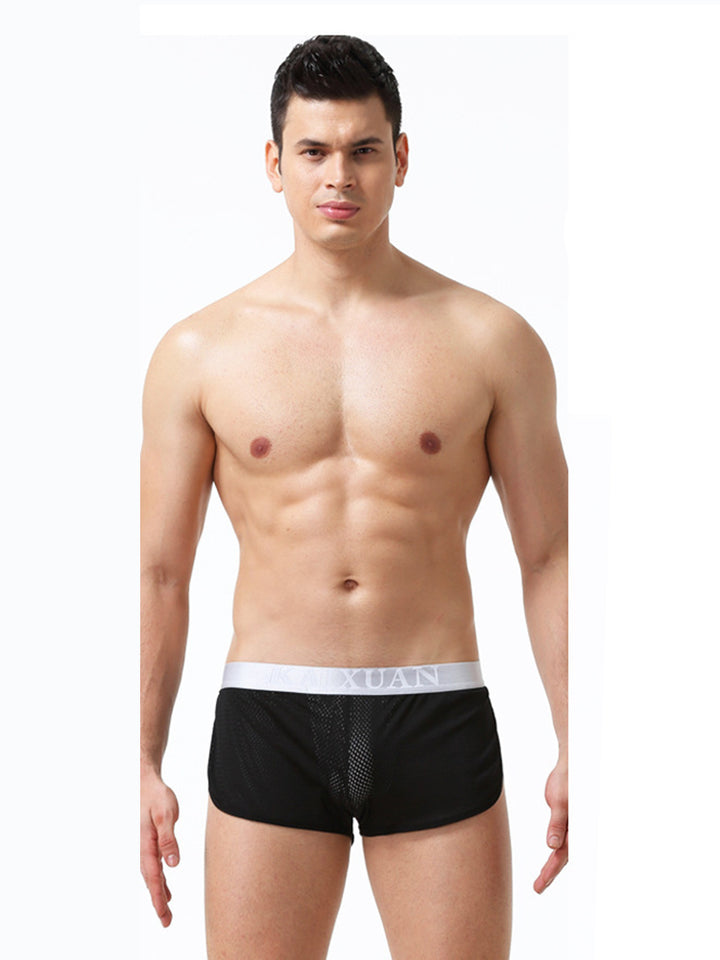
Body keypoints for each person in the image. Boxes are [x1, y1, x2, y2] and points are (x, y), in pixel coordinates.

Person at [140, 34, 568, 959]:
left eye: (364, 149)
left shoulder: (491, 341)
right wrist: (141, 760)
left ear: (400, 158)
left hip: (435, 708)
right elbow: (162, 574)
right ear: (275, 164)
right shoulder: (199, 352)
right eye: (314, 151)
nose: (340, 176)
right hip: (271, 714)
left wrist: (583, 742)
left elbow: (548, 558)